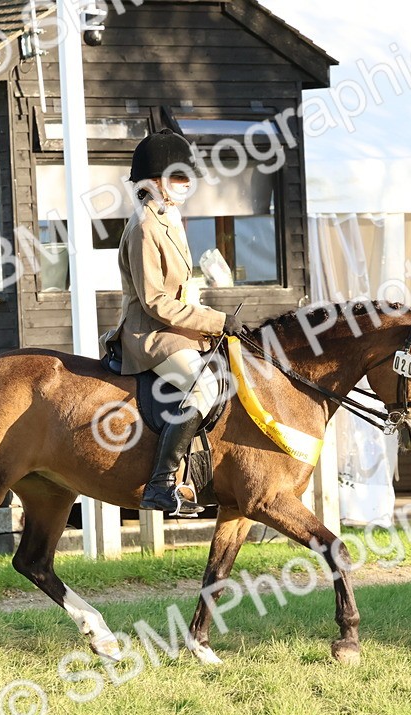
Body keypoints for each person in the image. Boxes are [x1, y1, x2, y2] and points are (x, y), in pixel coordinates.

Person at [103, 129, 246, 513]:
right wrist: (215, 320)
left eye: (187, 176)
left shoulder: (169, 218)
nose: (185, 183)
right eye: (177, 177)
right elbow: (155, 302)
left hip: (178, 330)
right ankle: (161, 483)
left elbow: (181, 290)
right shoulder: (145, 227)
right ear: (154, 181)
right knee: (205, 385)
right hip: (150, 334)